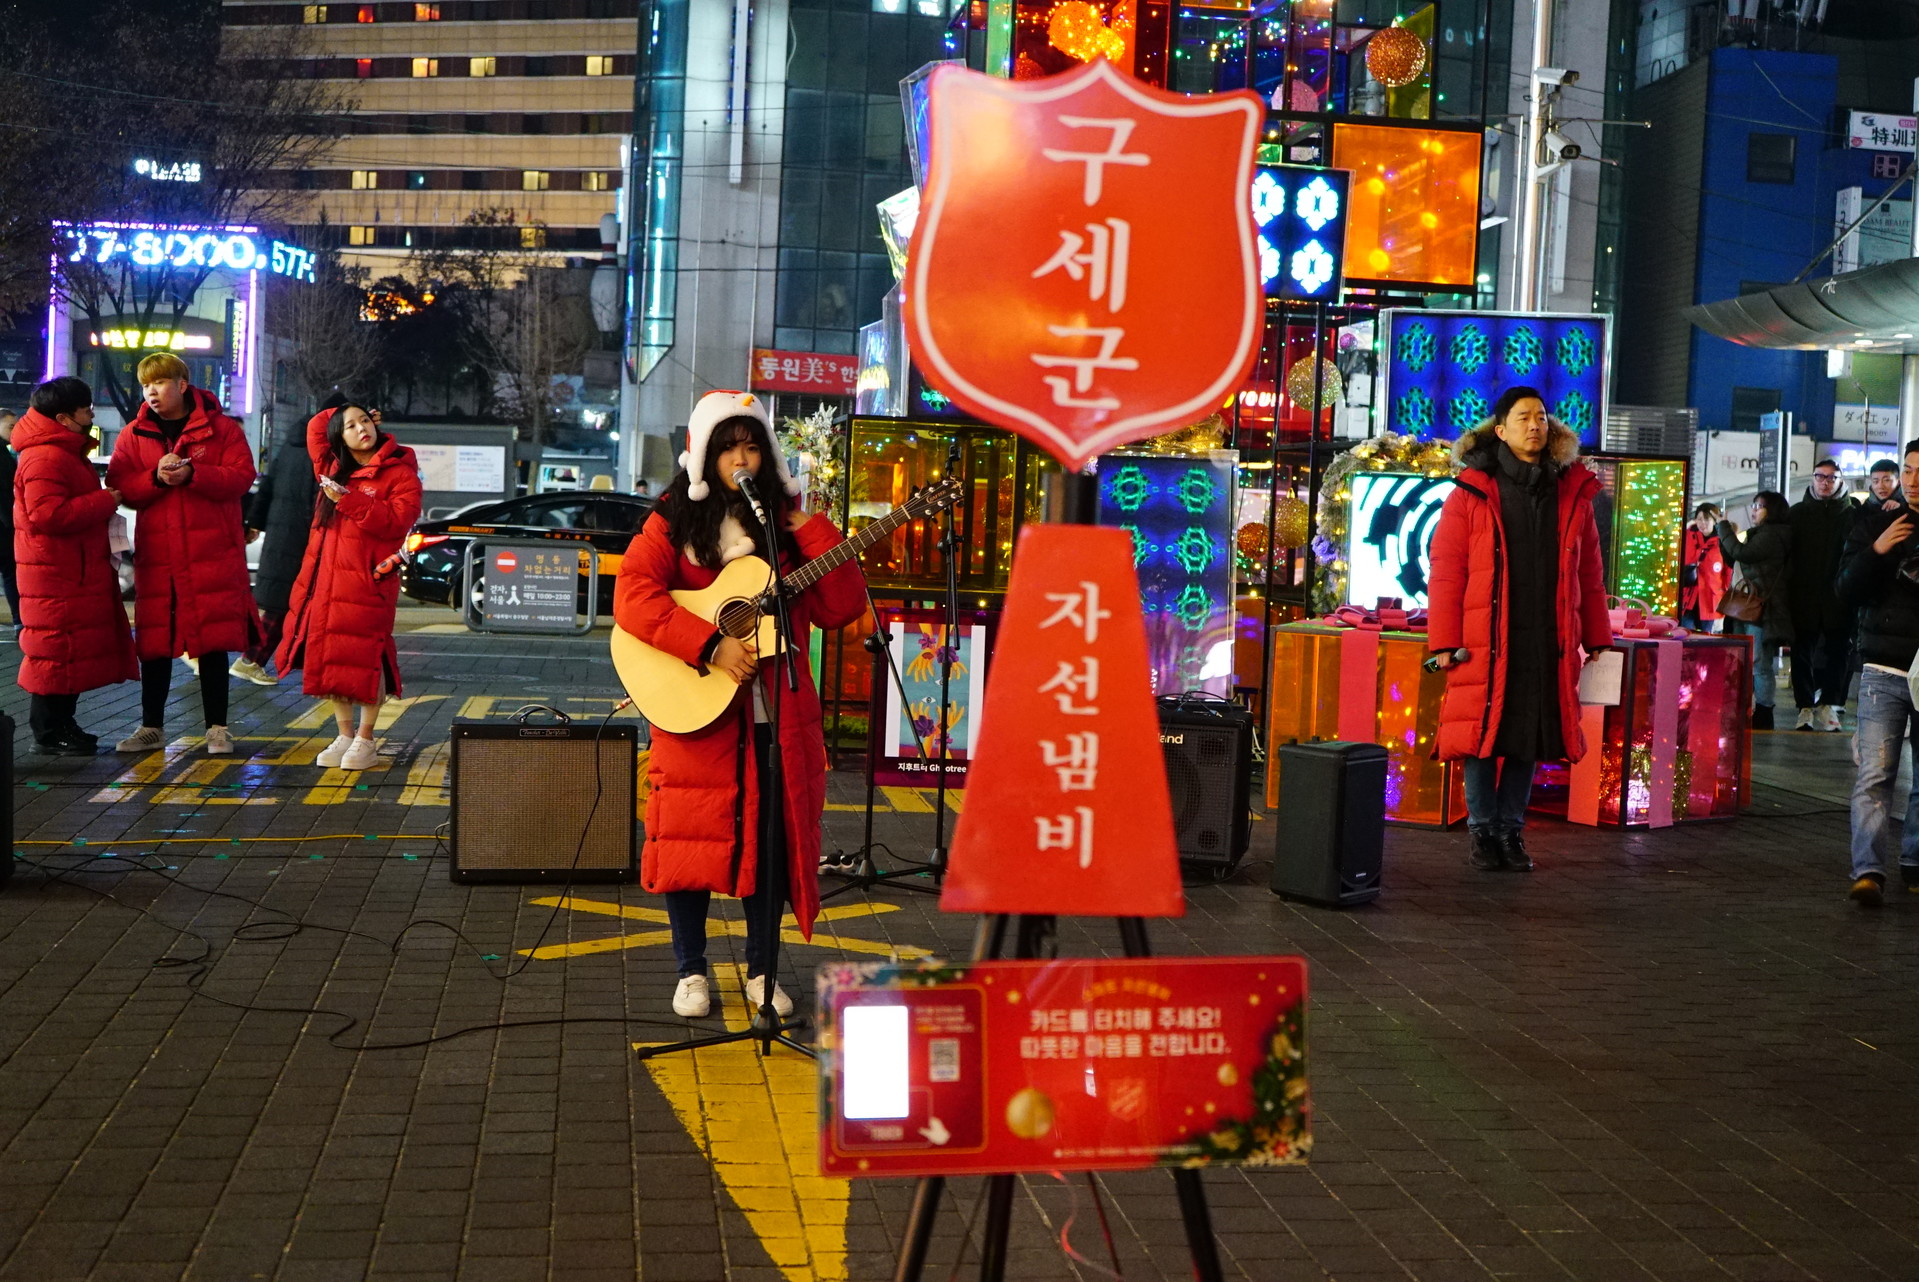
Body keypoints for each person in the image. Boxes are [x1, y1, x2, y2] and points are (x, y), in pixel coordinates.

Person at [613, 390, 865, 1017]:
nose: (743, 459)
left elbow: (839, 607)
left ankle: (762, 971)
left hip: (776, 716)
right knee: (686, 841)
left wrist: (812, 529)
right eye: (729, 449)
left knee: (773, 845)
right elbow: (633, 599)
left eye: (753, 446)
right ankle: (691, 970)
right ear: (704, 457)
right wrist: (709, 645)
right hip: (694, 710)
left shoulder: (787, 529)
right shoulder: (671, 521)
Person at [1427, 386, 1612, 873]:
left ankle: (1511, 832)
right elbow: (1447, 571)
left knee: (1529, 735)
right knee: (1482, 736)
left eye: (1542, 417)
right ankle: (1483, 834)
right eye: (1523, 417)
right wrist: (1444, 642)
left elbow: (1589, 574)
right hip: (1484, 639)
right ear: (1501, 429)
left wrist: (1596, 636)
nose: (1535, 425)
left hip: (1545, 638)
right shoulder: (1471, 490)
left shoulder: (1572, 491)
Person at [104, 352, 259, 757]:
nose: (151, 392)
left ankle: (218, 729)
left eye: (159, 383)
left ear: (183, 385)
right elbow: (119, 483)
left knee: (211, 643)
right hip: (159, 555)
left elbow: (242, 476)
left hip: (211, 553)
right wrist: (154, 477)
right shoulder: (134, 434)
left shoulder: (221, 429)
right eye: (145, 386)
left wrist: (194, 474)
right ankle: (151, 726)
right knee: (154, 643)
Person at [275, 403, 421, 770]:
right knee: (333, 658)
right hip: (326, 581)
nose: (361, 429)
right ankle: (343, 734)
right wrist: (345, 410)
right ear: (339, 436)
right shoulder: (332, 467)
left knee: (369, 657)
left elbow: (395, 522)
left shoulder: (400, 473)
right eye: (351, 425)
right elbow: (315, 426)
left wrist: (349, 500)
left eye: (366, 421)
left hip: (367, 581)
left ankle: (366, 738)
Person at [11, 378, 137, 752]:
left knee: (68, 651)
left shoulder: (58, 451)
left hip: (68, 570)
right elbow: (47, 515)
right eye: (85, 409)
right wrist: (104, 501)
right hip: (56, 573)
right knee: (55, 651)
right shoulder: (45, 456)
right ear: (64, 418)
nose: (91, 413)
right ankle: (49, 732)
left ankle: (63, 724)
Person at [1835, 439, 1919, 906]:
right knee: (1875, 774)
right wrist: (1878, 551)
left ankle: (1914, 862)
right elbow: (1844, 588)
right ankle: (1867, 870)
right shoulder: (1875, 523)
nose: (1912, 481)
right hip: (1883, 666)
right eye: (1907, 470)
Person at [233, 397, 332, 685]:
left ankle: (258, 659)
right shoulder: (323, 451)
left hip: (281, 535)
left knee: (287, 604)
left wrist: (255, 522)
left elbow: (268, 485)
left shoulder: (290, 445)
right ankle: (251, 659)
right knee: (286, 605)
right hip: (303, 539)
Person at [1786, 459, 1856, 731]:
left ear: (1840, 481)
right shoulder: (1798, 513)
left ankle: (1829, 704)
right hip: (1803, 595)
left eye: (1831, 478)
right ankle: (1804, 706)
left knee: (1839, 650)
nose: (1825, 482)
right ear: (1813, 479)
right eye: (1820, 476)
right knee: (1801, 651)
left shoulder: (1852, 514)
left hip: (1839, 596)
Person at [1718, 493, 1793, 730]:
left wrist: (1723, 529)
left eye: (1760, 506)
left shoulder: (1772, 535)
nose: (1754, 510)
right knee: (1746, 660)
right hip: (1748, 605)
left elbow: (1743, 554)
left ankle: (1764, 711)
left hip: (1761, 608)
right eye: (1754, 505)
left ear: (1773, 510)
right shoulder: (1760, 534)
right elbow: (1737, 560)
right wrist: (1726, 538)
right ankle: (1747, 708)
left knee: (1759, 661)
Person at [1680, 504, 1727, 633]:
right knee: (1686, 636)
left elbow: (1728, 570)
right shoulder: (1687, 536)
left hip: (1710, 597)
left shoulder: (1723, 541)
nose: (1702, 523)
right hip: (1688, 596)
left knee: (1706, 638)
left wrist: (1725, 591)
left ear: (1715, 520)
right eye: (1699, 519)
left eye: (1707, 519)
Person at [0, 408, 21, 628]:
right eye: (10, 426)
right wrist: (12, 524)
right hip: (5, 528)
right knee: (10, 574)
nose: (14, 431)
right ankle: (19, 622)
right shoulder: (3, 456)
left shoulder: (6, 453)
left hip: (6, 525)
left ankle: (19, 622)